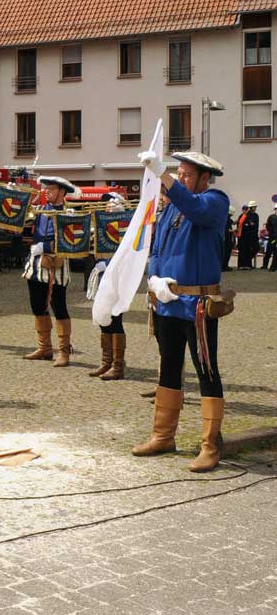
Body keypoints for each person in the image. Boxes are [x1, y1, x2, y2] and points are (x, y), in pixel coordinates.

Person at [133, 151, 230, 472]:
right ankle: (163, 436)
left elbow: (195, 208)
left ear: (205, 178)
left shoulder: (215, 201)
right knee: (169, 366)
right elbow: (157, 246)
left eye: (188, 174)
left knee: (206, 370)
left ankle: (210, 445)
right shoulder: (172, 206)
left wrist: (163, 175)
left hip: (199, 304)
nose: (181, 178)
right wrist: (155, 276)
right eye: (179, 173)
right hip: (168, 300)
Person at [22, 177, 78, 366]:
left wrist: (45, 246)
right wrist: (17, 195)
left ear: (62, 192)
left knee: (59, 307)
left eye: (52, 189)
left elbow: (70, 239)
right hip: (36, 264)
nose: (47, 192)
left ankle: (64, 351)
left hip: (57, 265)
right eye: (46, 188)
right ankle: (44, 347)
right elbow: (19, 224)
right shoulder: (40, 210)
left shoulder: (69, 212)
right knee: (37, 306)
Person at [86, 193, 129, 380]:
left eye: (114, 204)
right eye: (108, 204)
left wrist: (111, 265)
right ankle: (106, 361)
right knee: (103, 317)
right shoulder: (100, 225)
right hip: (102, 275)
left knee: (116, 319)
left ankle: (117, 365)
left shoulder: (127, 229)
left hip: (118, 278)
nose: (109, 207)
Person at [237, 202, 259, 269]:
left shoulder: (256, 215)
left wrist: (250, 225)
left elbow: (255, 226)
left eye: (255, 207)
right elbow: (240, 226)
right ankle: (242, 265)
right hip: (243, 237)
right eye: (254, 207)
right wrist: (249, 225)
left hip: (253, 236)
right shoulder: (244, 215)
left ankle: (247, 263)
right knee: (243, 250)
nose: (255, 208)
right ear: (251, 208)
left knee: (255, 248)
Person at [264, 204, 277, 272]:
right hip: (272, 239)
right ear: (275, 209)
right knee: (268, 252)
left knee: (276, 253)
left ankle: (273, 267)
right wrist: (271, 233)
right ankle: (265, 265)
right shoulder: (271, 217)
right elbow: (268, 226)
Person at [223, 207, 236, 271]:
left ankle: (225, 266)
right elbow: (226, 229)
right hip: (225, 238)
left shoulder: (227, 218)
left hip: (228, 238)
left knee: (228, 252)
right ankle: (224, 266)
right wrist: (233, 231)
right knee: (226, 252)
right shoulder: (225, 219)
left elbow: (233, 223)